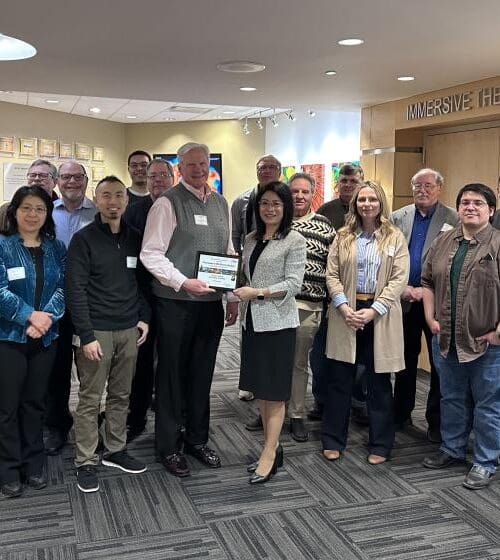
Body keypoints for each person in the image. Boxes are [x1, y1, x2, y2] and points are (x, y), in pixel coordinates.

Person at [141, 142, 238, 478]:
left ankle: (197, 439)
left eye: (203, 163)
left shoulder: (220, 202)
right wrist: (183, 282)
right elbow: (150, 254)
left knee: (201, 375)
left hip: (209, 305)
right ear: (179, 167)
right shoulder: (167, 203)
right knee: (170, 377)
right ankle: (168, 446)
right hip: (175, 304)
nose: (198, 170)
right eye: (191, 165)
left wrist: (233, 295)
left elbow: (227, 249)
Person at [66, 176, 150, 493]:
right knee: (89, 399)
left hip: (129, 329)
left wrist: (144, 317)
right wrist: (85, 336)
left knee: (121, 395)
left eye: (118, 195)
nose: (113, 201)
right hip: (96, 331)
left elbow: (142, 284)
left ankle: (115, 449)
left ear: (126, 200)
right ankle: (85, 461)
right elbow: (75, 290)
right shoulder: (83, 240)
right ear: (96, 200)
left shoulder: (135, 238)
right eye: (106, 196)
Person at [322, 181, 409, 465]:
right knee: (340, 380)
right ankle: (333, 439)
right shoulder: (343, 236)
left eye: (372, 199)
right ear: (355, 204)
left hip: (380, 314)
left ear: (381, 203)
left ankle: (381, 444)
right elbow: (331, 274)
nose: (367, 204)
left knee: (379, 381)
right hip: (345, 312)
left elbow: (399, 279)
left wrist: (374, 310)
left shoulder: (394, 236)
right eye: (362, 200)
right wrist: (344, 306)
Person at [422, 183, 500, 490]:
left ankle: (485, 461)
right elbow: (427, 280)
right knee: (451, 398)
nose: (470, 207)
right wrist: (429, 317)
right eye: (465, 202)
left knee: (488, 404)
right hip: (447, 340)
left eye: (478, 203)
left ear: (490, 210)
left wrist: (498, 333)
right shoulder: (444, 241)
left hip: (486, 343)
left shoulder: (496, 243)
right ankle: (452, 449)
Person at [235, 181, 306, 484]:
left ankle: (270, 451)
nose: (270, 208)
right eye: (264, 203)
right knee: (261, 390)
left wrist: (259, 292)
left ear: (285, 206)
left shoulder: (294, 239)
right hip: (251, 323)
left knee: (275, 393)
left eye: (276, 203)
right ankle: (271, 448)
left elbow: (294, 284)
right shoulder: (251, 239)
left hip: (278, 323)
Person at [0, 185, 65, 498]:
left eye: (40, 208)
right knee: (7, 407)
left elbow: (64, 288)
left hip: (44, 338)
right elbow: (0, 292)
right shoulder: (2, 245)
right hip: (8, 337)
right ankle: (9, 467)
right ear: (14, 211)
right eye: (26, 207)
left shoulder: (56, 247)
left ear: (47, 214)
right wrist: (29, 316)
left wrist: (45, 319)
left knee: (35, 403)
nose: (33, 214)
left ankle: (33, 463)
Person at [391, 168, 458, 442]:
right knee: (403, 360)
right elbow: (390, 257)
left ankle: (436, 422)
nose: (423, 190)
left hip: (437, 303)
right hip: (403, 300)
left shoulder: (453, 219)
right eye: (418, 185)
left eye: (429, 185)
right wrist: (402, 288)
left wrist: (425, 290)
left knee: (438, 365)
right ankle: (401, 413)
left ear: (439, 188)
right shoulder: (398, 217)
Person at [45, 161, 96, 455]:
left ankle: (90, 425)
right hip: (56, 306)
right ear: (57, 181)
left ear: (86, 180)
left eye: (78, 177)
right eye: (66, 177)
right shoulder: (47, 215)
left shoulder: (99, 213)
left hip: (91, 304)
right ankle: (57, 426)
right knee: (57, 370)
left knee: (92, 371)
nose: (72, 182)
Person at [124, 158, 174, 441]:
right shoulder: (134, 212)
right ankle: (137, 417)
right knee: (141, 361)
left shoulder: (181, 208)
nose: (156, 180)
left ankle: (172, 416)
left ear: (171, 177)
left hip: (177, 297)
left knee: (172, 359)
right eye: (152, 176)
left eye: (162, 175)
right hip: (142, 298)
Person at [310, 164, 364, 423]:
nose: (348, 185)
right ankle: (322, 401)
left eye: (353, 180)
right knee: (322, 354)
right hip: (327, 296)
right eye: (343, 180)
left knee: (361, 357)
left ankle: (358, 402)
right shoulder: (325, 212)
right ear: (337, 184)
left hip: (363, 296)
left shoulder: (370, 210)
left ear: (362, 181)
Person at [286, 173, 335, 442]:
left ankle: (296, 415)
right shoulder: (275, 221)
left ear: (313, 193)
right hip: (273, 307)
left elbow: (333, 267)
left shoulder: (324, 226)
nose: (300, 197)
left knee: (298, 364)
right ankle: (270, 410)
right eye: (295, 191)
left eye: (305, 192)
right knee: (273, 363)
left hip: (308, 304)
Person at [0, 159, 59, 231]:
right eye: (32, 175)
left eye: (43, 175)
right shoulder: (7, 210)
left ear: (55, 182)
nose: (37, 179)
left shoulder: (61, 210)